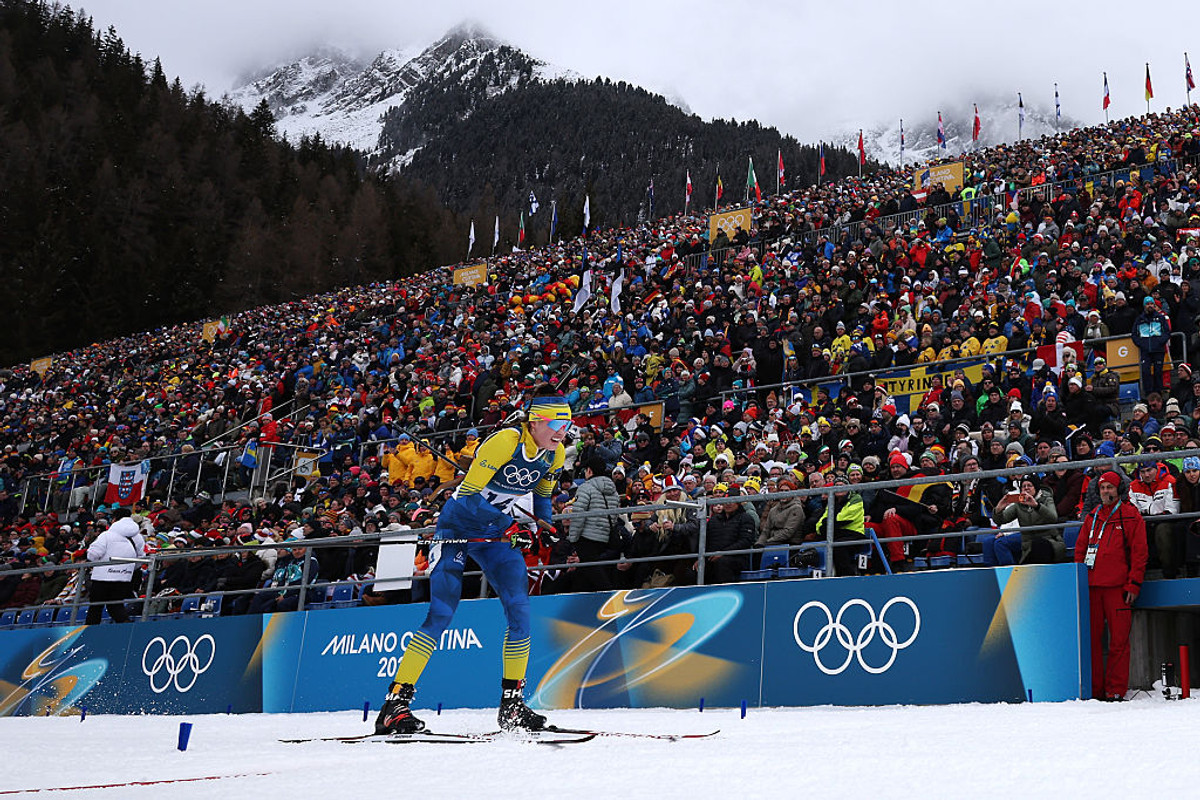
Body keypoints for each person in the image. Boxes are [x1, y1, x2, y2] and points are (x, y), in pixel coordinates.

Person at [374, 386, 570, 735]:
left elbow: (542, 497)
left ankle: (512, 707)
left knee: (520, 611)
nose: (563, 431)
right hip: (458, 528)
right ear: (536, 420)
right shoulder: (504, 442)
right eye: (557, 422)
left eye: (567, 423)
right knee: (441, 614)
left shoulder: (553, 455)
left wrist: (547, 526)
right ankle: (394, 705)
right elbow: (465, 496)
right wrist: (510, 525)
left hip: (495, 533)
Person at [1074, 470, 1147, 701]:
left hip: (1118, 589)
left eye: (1110, 488)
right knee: (1092, 642)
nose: (1106, 492)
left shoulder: (1130, 515)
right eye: (1103, 488)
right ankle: (1095, 691)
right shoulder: (1092, 516)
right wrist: (1079, 583)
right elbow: (1079, 551)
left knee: (1119, 641)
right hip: (1092, 589)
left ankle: (1115, 689)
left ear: (1119, 490)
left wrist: (1133, 584)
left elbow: (1139, 552)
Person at [566, 456, 621, 592]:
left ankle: (611, 598)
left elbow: (578, 514)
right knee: (584, 575)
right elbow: (614, 515)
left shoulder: (585, 487)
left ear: (589, 471)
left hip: (587, 537)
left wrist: (573, 538)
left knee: (595, 574)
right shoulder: (613, 490)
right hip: (605, 536)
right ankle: (580, 602)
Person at [84, 507, 145, 624]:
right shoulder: (138, 536)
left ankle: (89, 634)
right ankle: (127, 630)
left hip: (102, 578)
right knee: (116, 606)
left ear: (115, 519)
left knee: (95, 608)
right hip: (124, 577)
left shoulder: (107, 535)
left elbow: (93, 554)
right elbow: (141, 557)